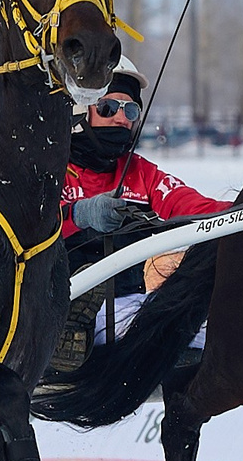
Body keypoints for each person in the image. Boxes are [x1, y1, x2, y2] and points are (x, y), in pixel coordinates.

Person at [48, 72, 226, 373]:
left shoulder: (141, 173)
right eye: (108, 108)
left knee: (222, 326)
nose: (121, 118)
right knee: (171, 324)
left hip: (127, 303)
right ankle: (65, 328)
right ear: (79, 111)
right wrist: (79, 214)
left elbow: (195, 207)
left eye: (130, 111)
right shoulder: (51, 169)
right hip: (55, 299)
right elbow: (26, 227)